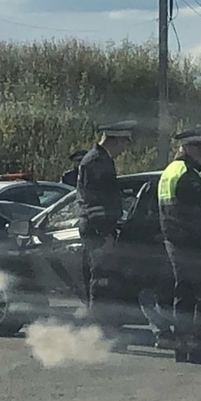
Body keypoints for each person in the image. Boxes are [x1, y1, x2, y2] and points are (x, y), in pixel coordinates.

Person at [158, 126, 201, 364]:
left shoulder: (171, 170)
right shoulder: (187, 174)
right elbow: (200, 213)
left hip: (176, 242)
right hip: (193, 244)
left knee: (184, 297)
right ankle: (197, 348)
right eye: (200, 147)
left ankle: (182, 347)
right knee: (200, 298)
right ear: (188, 148)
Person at [76, 120, 136, 330]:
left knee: (103, 278)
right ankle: (98, 330)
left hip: (97, 227)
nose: (123, 150)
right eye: (123, 144)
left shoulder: (99, 160)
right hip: (97, 229)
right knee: (101, 280)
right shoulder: (97, 162)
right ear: (116, 140)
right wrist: (104, 232)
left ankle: (103, 328)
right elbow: (95, 202)